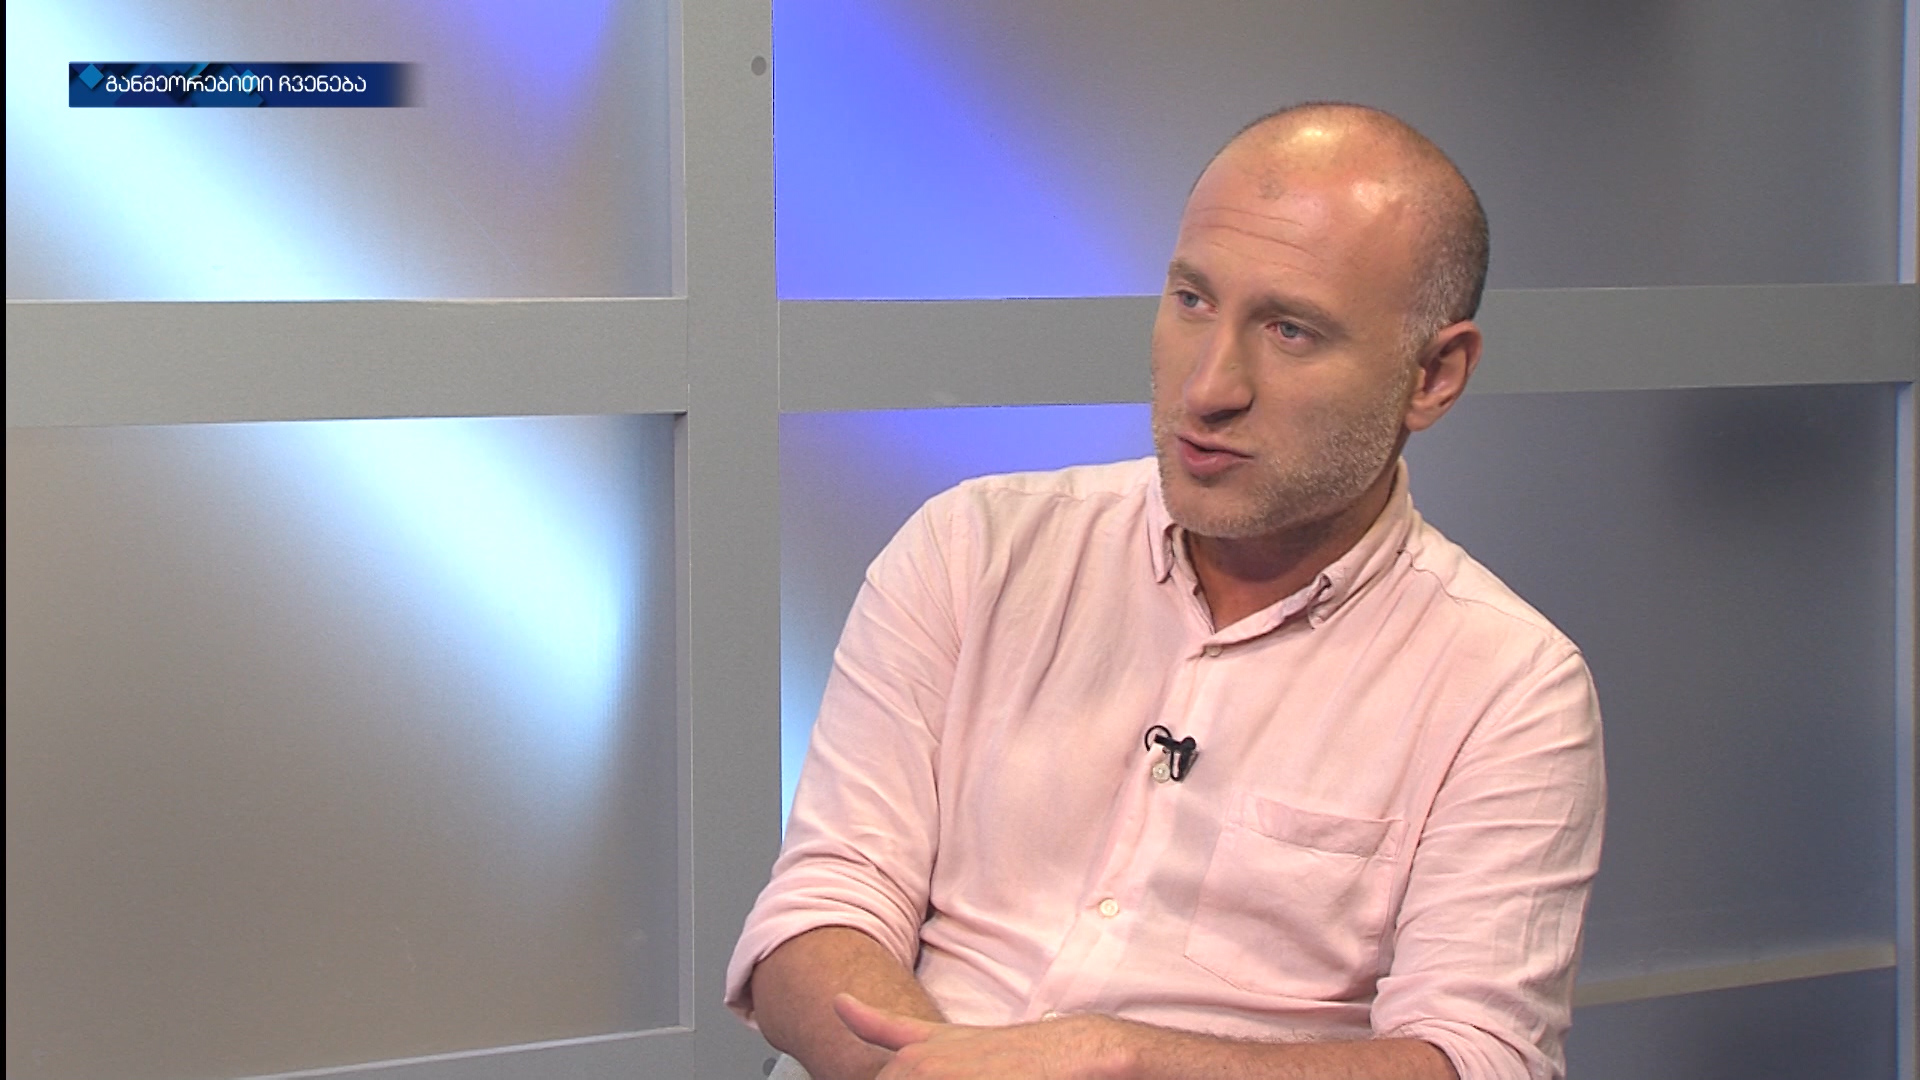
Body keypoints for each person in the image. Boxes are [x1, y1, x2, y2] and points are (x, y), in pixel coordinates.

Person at [726, 102, 1606, 1080]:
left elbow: (1477, 1059)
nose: (1208, 388)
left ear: (1434, 376)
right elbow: (820, 914)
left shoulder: (1509, 688)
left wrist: (1114, 1059)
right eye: (1192, 300)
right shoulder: (973, 550)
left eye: (1290, 330)